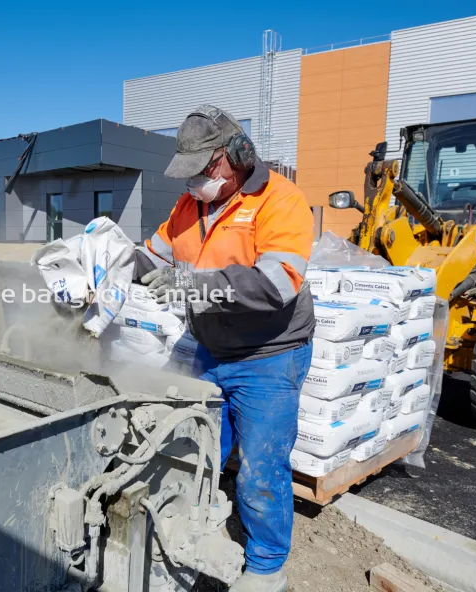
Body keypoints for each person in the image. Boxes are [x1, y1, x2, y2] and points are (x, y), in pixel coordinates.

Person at [136, 105, 315, 592]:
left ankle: (266, 567)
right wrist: (100, 258)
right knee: (188, 444)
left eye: (199, 173)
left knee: (259, 468)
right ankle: (195, 521)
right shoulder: (189, 206)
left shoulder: (281, 201)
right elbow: (153, 255)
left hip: (268, 355)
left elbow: (276, 286)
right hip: (208, 346)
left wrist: (191, 284)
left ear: (232, 157)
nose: (192, 185)